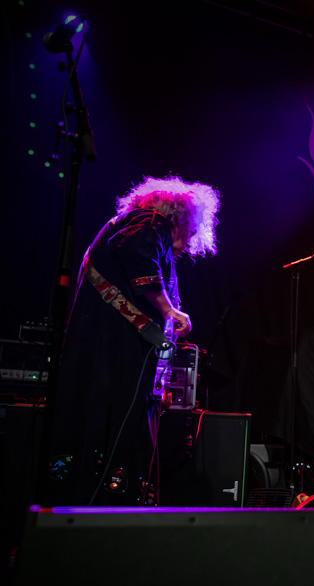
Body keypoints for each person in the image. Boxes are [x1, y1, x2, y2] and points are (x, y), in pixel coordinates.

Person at [47, 175, 220, 506]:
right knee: (120, 433)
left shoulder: (130, 225)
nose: (190, 241)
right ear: (180, 217)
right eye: (191, 230)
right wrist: (169, 310)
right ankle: (112, 508)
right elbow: (141, 261)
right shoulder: (149, 222)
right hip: (116, 350)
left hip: (108, 347)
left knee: (96, 430)